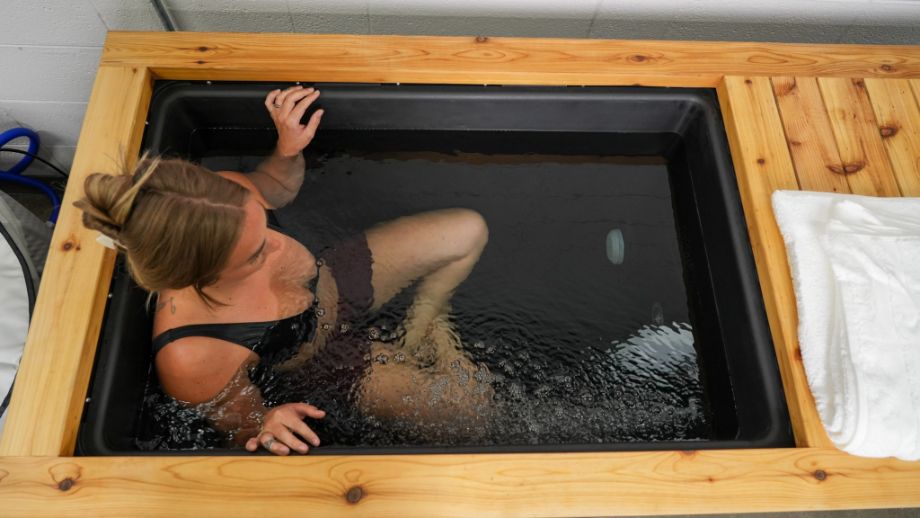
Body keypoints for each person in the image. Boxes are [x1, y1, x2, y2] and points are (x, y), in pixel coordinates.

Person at [75, 86, 491, 455]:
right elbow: (244, 424)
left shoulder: (224, 198)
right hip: (325, 362)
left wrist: (288, 149)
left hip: (334, 282)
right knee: (471, 416)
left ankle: (428, 316)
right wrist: (265, 426)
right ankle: (412, 339)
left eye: (263, 223)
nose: (282, 246)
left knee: (467, 230)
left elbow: (276, 184)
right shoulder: (195, 353)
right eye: (256, 254)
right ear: (197, 276)